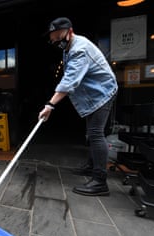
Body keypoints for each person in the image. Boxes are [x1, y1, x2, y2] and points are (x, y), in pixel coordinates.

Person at [38, 17, 118, 196]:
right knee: (92, 132)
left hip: (102, 92)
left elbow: (70, 80)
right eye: (52, 37)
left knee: (96, 133)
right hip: (93, 93)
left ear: (69, 32)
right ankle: (92, 166)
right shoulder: (69, 47)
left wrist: (50, 105)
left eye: (57, 36)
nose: (54, 41)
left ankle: (100, 181)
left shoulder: (79, 49)